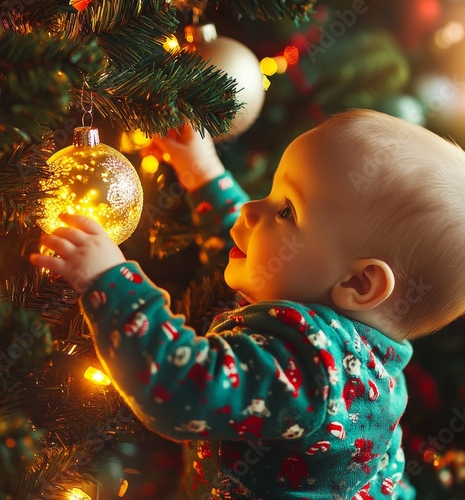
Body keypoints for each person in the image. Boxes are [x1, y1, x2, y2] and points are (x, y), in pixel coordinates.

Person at [30, 109, 465, 499]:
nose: (251, 210)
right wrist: (202, 171)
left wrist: (109, 280)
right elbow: (267, 260)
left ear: (357, 282)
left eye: (287, 210)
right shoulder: (357, 337)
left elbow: (182, 386)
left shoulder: (313, 367)